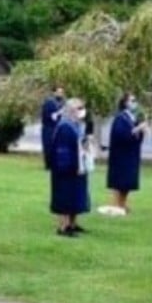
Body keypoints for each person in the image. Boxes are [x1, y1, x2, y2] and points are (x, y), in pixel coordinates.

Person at [49, 98, 91, 237]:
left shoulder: (77, 125)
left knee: (76, 196)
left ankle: (73, 223)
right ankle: (63, 226)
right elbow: (62, 151)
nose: (82, 111)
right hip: (66, 169)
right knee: (65, 196)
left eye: (82, 108)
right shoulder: (64, 127)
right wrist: (69, 166)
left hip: (78, 166)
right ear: (71, 110)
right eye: (79, 108)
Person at [105, 93, 149, 216]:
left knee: (127, 182)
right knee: (120, 182)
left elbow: (135, 136)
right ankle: (117, 205)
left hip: (131, 154)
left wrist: (141, 132)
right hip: (121, 155)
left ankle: (123, 204)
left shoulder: (131, 118)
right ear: (125, 103)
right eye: (132, 100)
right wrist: (138, 129)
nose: (135, 103)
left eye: (135, 100)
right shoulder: (120, 118)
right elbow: (120, 135)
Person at [39, 86, 65, 170]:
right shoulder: (49, 103)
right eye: (59, 92)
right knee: (48, 146)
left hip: (58, 128)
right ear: (54, 93)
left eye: (62, 92)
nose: (60, 94)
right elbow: (51, 117)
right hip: (49, 128)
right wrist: (60, 113)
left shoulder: (62, 103)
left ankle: (56, 164)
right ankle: (48, 165)